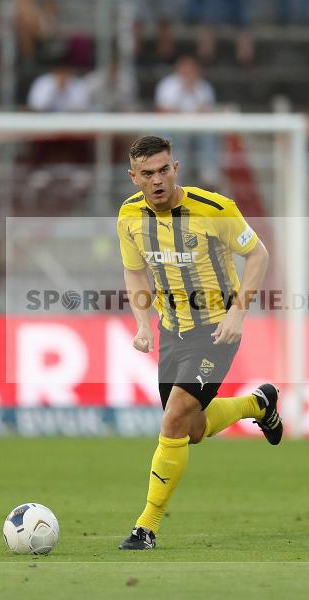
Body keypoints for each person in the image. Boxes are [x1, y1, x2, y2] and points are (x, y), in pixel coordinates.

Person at [116, 135, 281, 550]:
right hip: (173, 334)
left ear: (176, 168)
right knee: (190, 429)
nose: (157, 180)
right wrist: (142, 323)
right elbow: (134, 272)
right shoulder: (129, 216)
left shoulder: (214, 209)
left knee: (172, 419)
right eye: (147, 173)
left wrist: (238, 311)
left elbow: (258, 254)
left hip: (216, 330)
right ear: (133, 177)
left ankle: (145, 527)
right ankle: (257, 404)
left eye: (163, 170)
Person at [155, 56, 219, 185]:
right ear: (178, 69)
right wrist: (183, 92)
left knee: (209, 134)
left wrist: (192, 92)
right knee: (170, 136)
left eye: (191, 69)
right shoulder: (168, 84)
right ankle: (176, 174)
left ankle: (208, 174)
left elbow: (207, 112)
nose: (188, 72)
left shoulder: (203, 87)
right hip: (174, 129)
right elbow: (163, 111)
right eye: (185, 68)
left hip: (197, 129)